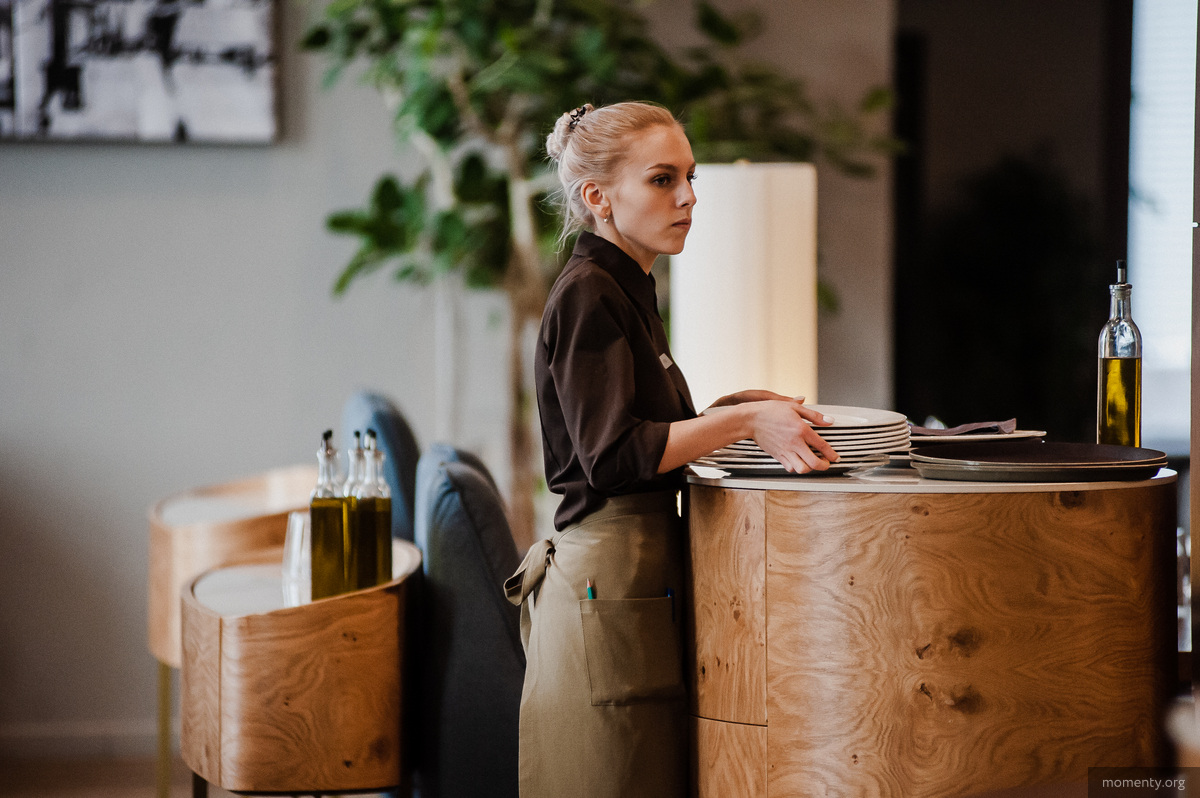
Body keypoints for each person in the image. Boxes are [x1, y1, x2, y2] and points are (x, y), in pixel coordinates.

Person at [504, 101, 839, 798]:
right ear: (598, 197)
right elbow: (614, 456)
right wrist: (745, 423)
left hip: (626, 587)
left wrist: (730, 410)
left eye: (689, 177)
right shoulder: (589, 294)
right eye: (663, 179)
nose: (688, 196)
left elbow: (636, 433)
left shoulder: (626, 287)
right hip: (605, 587)